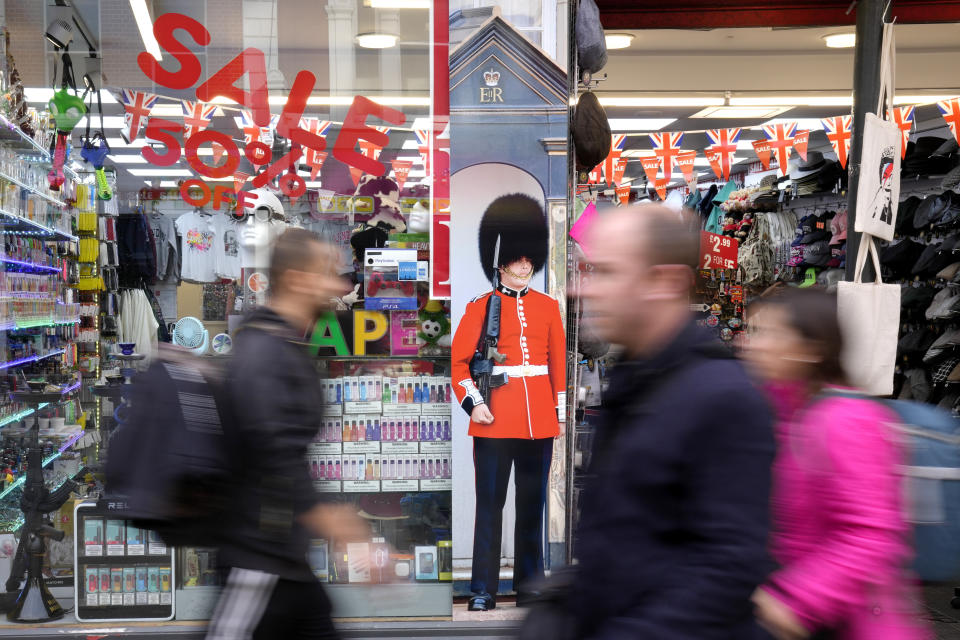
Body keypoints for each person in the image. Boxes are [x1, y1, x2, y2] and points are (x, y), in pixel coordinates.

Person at [571, 204, 775, 639]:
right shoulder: (634, 380)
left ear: (664, 282)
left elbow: (728, 568)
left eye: (606, 273)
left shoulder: (722, 397)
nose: (583, 289)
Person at [207, 228, 368, 640]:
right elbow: (272, 450)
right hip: (256, 560)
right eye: (326, 273)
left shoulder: (282, 343)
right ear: (297, 279)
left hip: (284, 557)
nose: (337, 284)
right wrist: (327, 519)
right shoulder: (264, 351)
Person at [744, 288, 930, 640]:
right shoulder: (793, 410)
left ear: (812, 349)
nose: (755, 345)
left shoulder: (847, 419)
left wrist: (797, 600)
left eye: (772, 334)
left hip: (840, 620)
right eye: (756, 332)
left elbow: (871, 535)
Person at [451, 194, 566, 612]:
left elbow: (556, 365)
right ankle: (483, 589)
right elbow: (459, 365)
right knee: (490, 508)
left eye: (528, 260)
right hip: (494, 419)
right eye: (517, 261)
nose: (525, 266)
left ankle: (530, 587)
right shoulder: (479, 309)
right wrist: (474, 404)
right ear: (501, 263)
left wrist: (560, 412)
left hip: (539, 422)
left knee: (531, 508)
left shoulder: (549, 307)